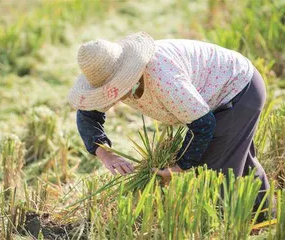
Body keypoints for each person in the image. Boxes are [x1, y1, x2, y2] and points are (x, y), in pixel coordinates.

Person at [68, 32, 270, 209]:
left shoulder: (164, 79)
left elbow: (203, 125)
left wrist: (180, 166)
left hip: (237, 90)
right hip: (211, 101)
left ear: (127, 76)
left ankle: (231, 226)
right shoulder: (114, 76)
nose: (109, 98)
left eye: (112, 90)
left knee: (215, 172)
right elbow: (87, 115)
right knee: (239, 162)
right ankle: (265, 220)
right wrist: (106, 155)